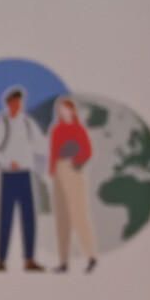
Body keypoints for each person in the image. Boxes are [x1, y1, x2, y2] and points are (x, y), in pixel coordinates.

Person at [0, 85, 47, 272]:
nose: (17, 105)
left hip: (25, 174)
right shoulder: (0, 123)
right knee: (6, 217)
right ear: (8, 103)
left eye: (19, 101)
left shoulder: (28, 123)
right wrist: (6, 161)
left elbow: (41, 147)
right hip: (9, 175)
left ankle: (29, 259)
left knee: (28, 218)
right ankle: (1, 260)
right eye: (13, 101)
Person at [48, 93, 99, 273]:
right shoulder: (56, 129)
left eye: (65, 108)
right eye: (59, 108)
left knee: (78, 213)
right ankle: (64, 262)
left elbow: (87, 150)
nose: (62, 111)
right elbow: (53, 151)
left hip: (73, 169)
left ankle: (91, 256)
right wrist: (52, 172)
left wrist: (76, 161)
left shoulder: (79, 129)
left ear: (71, 110)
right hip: (58, 172)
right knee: (62, 217)